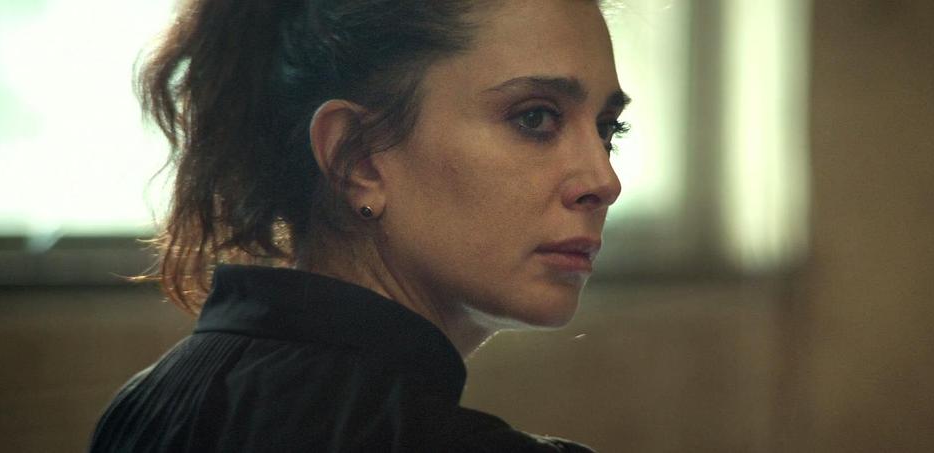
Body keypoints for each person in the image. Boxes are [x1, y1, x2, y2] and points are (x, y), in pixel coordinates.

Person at [91, 0, 629, 451]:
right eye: (535, 117)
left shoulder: (142, 408)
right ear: (358, 159)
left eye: (608, 129)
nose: (604, 181)